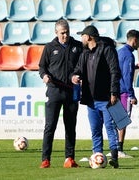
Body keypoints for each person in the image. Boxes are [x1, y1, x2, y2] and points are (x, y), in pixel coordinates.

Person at [71, 25, 121, 168]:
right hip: (90, 100)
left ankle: (114, 156)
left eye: (83, 36)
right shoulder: (85, 53)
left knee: (109, 127)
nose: (81, 38)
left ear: (88, 37)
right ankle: (98, 155)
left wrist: (114, 92)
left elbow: (114, 72)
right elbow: (78, 70)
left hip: (106, 98)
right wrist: (74, 76)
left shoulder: (107, 50)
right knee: (95, 129)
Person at [39, 19, 83, 168]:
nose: (65, 35)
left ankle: (69, 158)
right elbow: (42, 67)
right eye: (62, 33)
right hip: (54, 91)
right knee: (50, 126)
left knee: (70, 127)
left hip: (72, 91)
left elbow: (81, 66)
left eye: (67, 32)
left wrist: (78, 76)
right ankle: (46, 159)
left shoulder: (77, 46)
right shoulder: (50, 47)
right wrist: (44, 76)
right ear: (56, 32)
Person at [116, 29, 139, 158]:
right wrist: (131, 95)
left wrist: (134, 67)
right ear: (134, 40)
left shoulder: (120, 52)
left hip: (115, 91)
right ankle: (119, 150)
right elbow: (127, 76)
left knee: (116, 121)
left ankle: (114, 148)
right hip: (124, 92)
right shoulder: (128, 55)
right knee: (122, 121)